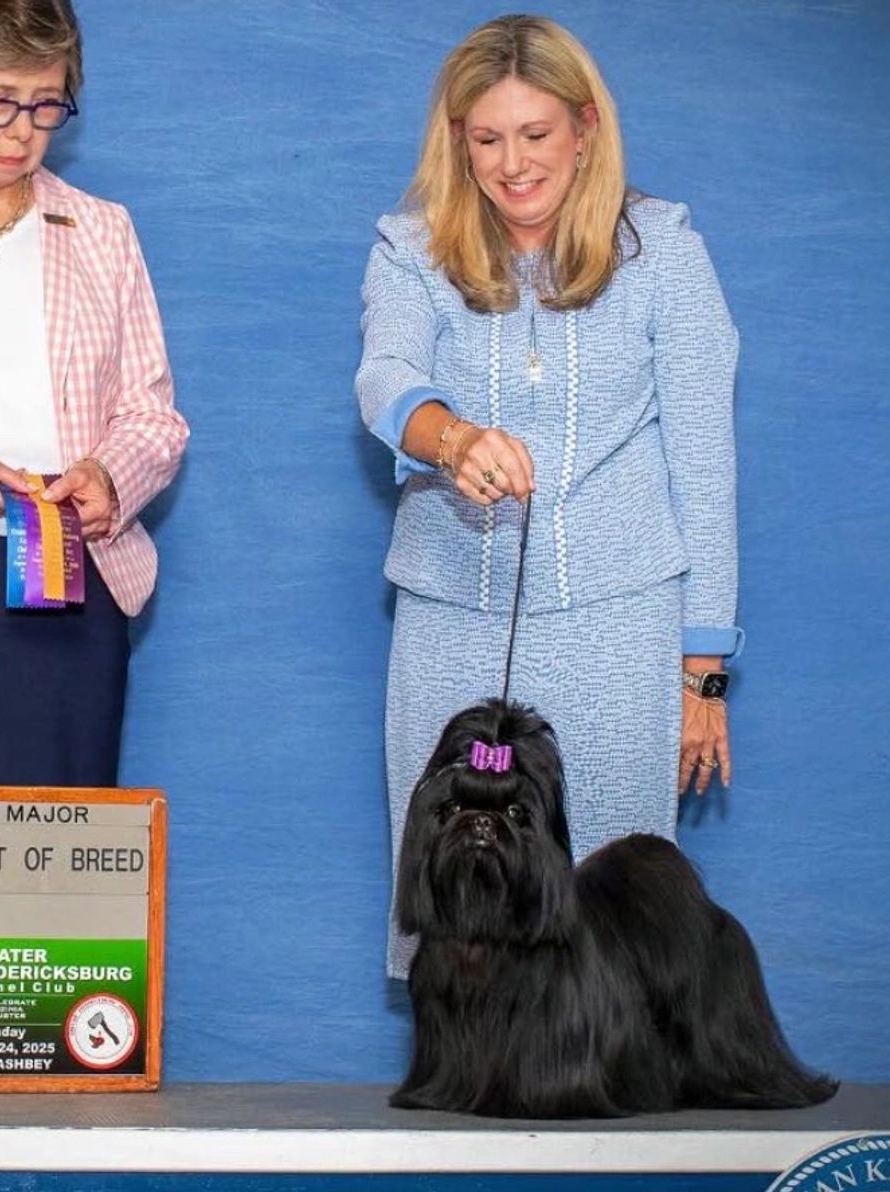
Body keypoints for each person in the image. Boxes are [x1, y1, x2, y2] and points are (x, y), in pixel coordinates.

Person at [357, 14, 742, 978]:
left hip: (620, 632)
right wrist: (450, 438)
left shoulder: (664, 254)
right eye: (486, 139)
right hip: (449, 626)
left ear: (585, 128)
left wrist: (702, 674)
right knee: (457, 919)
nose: (513, 163)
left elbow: (704, 465)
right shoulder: (410, 250)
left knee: (617, 928)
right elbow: (384, 377)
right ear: (457, 141)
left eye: (536, 134)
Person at [0, 0, 188, 791]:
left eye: (47, 104)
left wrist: (110, 477)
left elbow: (153, 416)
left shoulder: (103, 230)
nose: (22, 131)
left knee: (66, 854)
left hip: (74, 591)